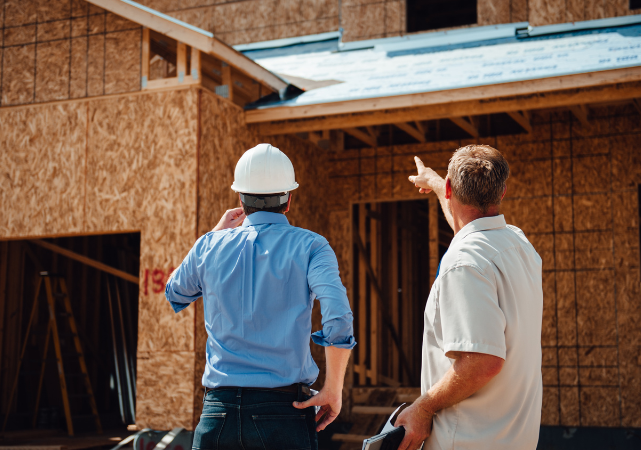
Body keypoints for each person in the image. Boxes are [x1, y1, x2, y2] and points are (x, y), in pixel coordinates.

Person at [165, 143, 355, 450]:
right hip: (283, 415)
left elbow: (176, 292)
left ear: (240, 198)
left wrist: (214, 235)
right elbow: (338, 316)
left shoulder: (209, 246)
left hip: (218, 415)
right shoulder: (312, 246)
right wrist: (333, 388)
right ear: (288, 200)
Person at [395, 145, 543, 450]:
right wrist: (437, 184)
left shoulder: (463, 263)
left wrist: (423, 407)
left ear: (452, 189)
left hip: (468, 440)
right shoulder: (518, 243)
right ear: (502, 192)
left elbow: (483, 362)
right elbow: (472, 231)